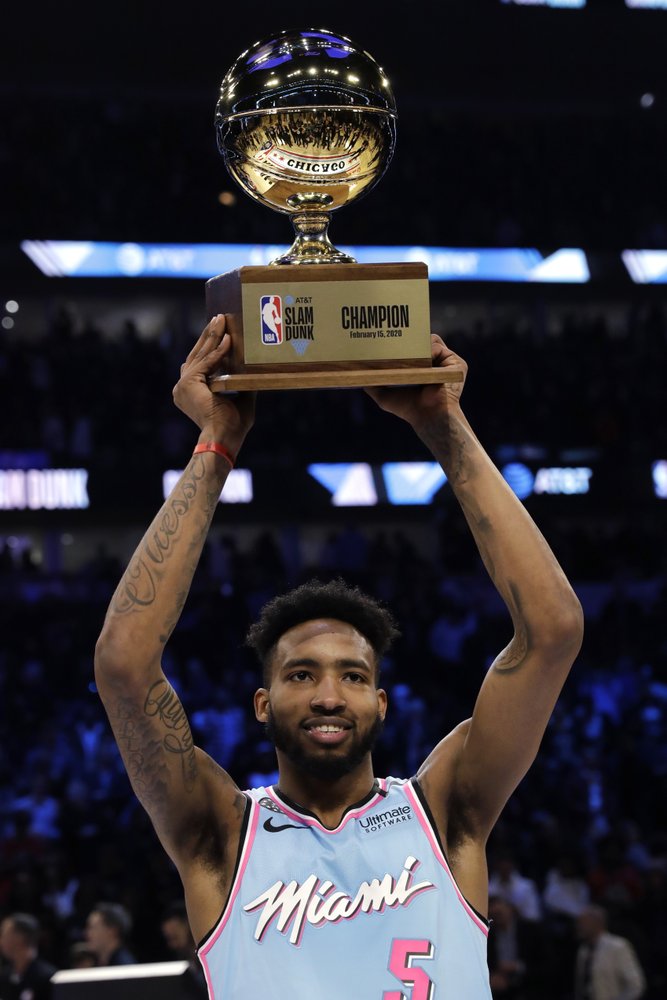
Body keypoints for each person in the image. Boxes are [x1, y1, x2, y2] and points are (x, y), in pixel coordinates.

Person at [94, 317, 584, 999]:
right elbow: (123, 665)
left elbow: (552, 629)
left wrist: (443, 425)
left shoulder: (446, 813)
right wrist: (216, 445)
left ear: (379, 703)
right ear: (261, 704)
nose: (329, 695)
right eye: (301, 674)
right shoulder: (222, 837)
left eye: (353, 676)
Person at [574, 905, 646, 1000]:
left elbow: (636, 985)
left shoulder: (617, 946)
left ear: (597, 923)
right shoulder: (583, 950)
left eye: (583, 923)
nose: (579, 927)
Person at [0, 912, 57, 1000]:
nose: (1, 941)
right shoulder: (5, 977)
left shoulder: (48, 978)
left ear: (20, 938)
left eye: (4, 934)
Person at [84, 902, 135, 966]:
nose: (86, 933)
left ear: (112, 931)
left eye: (92, 928)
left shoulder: (124, 967)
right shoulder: (94, 963)